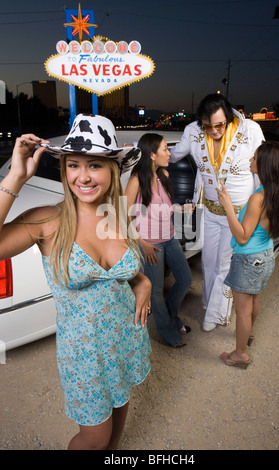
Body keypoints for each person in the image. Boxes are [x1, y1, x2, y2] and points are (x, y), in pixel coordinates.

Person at [0, 114, 152, 450]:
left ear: (112, 170)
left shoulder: (117, 215)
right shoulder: (47, 221)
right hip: (83, 355)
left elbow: (123, 273)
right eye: (73, 165)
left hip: (124, 339)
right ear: (64, 169)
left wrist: (143, 283)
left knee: (116, 425)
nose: (82, 176)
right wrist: (16, 178)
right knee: (93, 437)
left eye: (94, 165)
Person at [170, 93, 265, 331]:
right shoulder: (193, 131)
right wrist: (141, 152)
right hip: (210, 211)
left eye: (219, 125)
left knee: (225, 265)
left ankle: (217, 314)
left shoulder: (251, 130)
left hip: (239, 214)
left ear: (229, 117)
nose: (214, 131)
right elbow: (172, 155)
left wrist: (262, 206)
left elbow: (261, 168)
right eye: (207, 126)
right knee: (209, 263)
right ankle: (209, 303)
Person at [216, 141, 279, 368]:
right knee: (254, 298)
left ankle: (240, 355)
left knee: (243, 309)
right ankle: (247, 336)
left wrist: (227, 206)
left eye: (254, 158)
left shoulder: (257, 198)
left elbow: (242, 237)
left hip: (248, 259)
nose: (250, 161)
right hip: (266, 255)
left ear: (265, 165)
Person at [125, 133, 193, 348]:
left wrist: (180, 208)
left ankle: (172, 318)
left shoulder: (163, 174)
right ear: (152, 154)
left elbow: (162, 206)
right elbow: (122, 215)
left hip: (170, 238)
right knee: (155, 290)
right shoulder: (136, 180)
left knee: (185, 280)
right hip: (150, 243)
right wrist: (141, 243)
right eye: (165, 149)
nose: (169, 153)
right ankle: (166, 330)